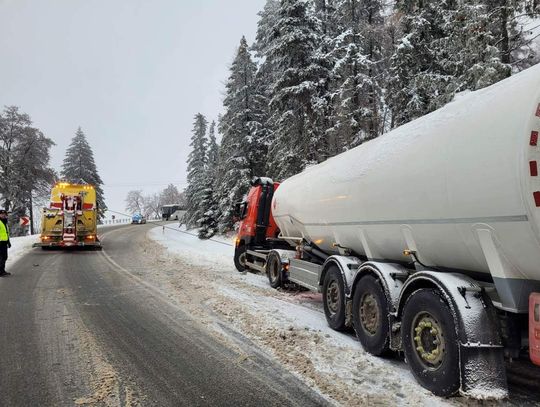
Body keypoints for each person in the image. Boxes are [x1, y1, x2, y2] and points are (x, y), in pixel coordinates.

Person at [0, 209, 11, 277]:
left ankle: (2, 270)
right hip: (0, 243)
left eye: (4, 214)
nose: (3, 215)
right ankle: (0, 272)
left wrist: (8, 242)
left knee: (4, 257)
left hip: (4, 242)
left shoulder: (4, 222)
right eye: (2, 214)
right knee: (1, 257)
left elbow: (6, 233)